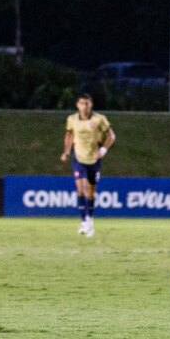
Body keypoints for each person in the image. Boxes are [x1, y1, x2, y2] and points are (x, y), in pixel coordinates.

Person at [60, 94, 114, 237]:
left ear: (91, 104)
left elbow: (111, 136)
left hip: (94, 159)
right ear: (77, 105)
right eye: (82, 103)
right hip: (78, 158)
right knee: (80, 189)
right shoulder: (72, 120)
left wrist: (103, 149)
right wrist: (66, 151)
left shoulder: (99, 119)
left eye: (87, 103)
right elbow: (69, 136)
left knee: (90, 191)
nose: (85, 106)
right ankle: (83, 221)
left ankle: (89, 219)